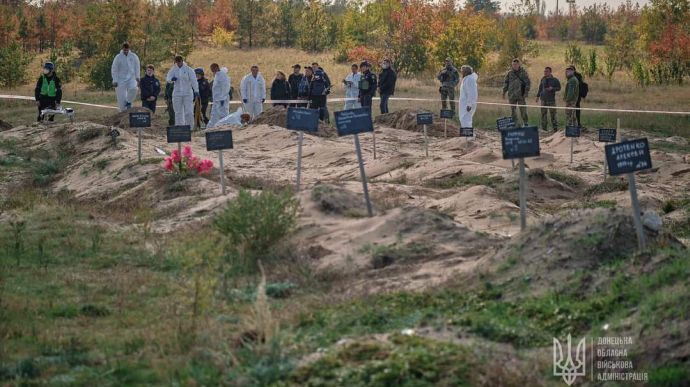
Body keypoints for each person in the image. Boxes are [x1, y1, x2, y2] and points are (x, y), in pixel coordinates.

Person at [166, 56, 200, 130]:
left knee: (189, 112)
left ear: (182, 61)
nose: (178, 64)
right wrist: (171, 79)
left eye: (179, 62)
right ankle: (180, 127)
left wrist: (196, 90)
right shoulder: (173, 69)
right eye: (176, 62)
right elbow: (168, 78)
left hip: (187, 93)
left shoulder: (189, 70)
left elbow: (194, 81)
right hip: (177, 93)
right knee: (178, 112)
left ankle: (190, 128)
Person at [111, 42, 140, 112]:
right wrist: (115, 80)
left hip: (131, 78)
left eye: (127, 50)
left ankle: (128, 102)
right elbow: (114, 69)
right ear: (122, 49)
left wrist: (137, 77)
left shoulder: (133, 56)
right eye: (124, 50)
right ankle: (123, 113)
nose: (126, 51)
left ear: (129, 49)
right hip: (120, 80)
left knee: (134, 89)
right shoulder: (118, 57)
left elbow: (137, 67)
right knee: (121, 101)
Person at [502, 58, 531, 126]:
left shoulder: (523, 73)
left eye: (516, 64)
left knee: (523, 110)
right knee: (513, 111)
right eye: (513, 64)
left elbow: (528, 83)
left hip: (521, 94)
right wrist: (504, 92)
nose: (514, 66)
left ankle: (525, 123)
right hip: (512, 95)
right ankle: (515, 123)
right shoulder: (509, 73)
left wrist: (526, 92)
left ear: (519, 65)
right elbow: (506, 83)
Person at [535, 66, 561, 132]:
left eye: (547, 71)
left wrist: (552, 88)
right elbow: (540, 88)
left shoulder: (555, 80)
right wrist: (537, 96)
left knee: (553, 114)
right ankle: (544, 128)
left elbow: (559, 88)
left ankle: (555, 128)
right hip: (543, 99)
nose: (545, 72)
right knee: (543, 114)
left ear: (550, 72)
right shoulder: (543, 79)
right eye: (544, 71)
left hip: (551, 100)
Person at [208, 63, 231, 128]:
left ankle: (225, 127)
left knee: (223, 114)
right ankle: (210, 128)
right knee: (214, 114)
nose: (212, 71)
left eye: (213, 69)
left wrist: (222, 98)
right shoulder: (217, 75)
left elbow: (226, 87)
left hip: (222, 99)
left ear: (216, 68)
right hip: (216, 99)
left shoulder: (223, 75)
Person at [458, 65, 478, 130]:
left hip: (467, 104)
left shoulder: (470, 79)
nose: (461, 72)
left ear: (465, 72)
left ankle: (468, 136)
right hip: (465, 103)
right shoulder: (467, 78)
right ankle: (466, 136)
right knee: (464, 119)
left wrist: (469, 104)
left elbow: (471, 93)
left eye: (462, 71)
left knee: (466, 120)